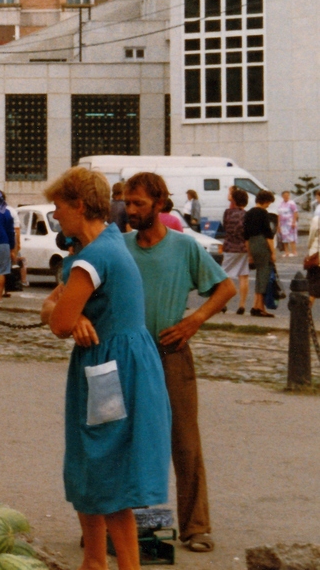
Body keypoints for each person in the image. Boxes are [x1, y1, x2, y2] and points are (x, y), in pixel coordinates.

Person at [39, 167, 171, 570]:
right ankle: (94, 560)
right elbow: (67, 310)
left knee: (105, 466)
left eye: (59, 207)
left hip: (106, 373)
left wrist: (65, 313)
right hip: (126, 365)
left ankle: (116, 564)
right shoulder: (111, 244)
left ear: (79, 205)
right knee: (93, 462)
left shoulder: (90, 259)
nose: (55, 215)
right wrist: (69, 312)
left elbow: (59, 320)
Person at [122, 172, 235, 553]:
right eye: (127, 202)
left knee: (185, 444)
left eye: (138, 203)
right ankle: (133, 527)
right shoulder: (120, 246)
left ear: (159, 203)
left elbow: (226, 288)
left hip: (172, 359)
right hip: (130, 360)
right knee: (130, 444)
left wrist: (194, 320)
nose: (131, 209)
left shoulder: (185, 248)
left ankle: (195, 527)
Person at [243, 190, 277, 318]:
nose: (269, 205)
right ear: (266, 201)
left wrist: (250, 254)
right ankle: (259, 306)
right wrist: (273, 252)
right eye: (269, 203)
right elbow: (268, 235)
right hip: (262, 243)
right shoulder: (263, 213)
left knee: (259, 274)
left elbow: (245, 235)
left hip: (252, 243)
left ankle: (256, 306)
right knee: (264, 274)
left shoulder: (248, 213)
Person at [221, 188, 251, 315]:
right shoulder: (246, 215)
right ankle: (242, 305)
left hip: (229, 246)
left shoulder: (227, 213)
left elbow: (225, 226)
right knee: (243, 276)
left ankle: (223, 303)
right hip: (243, 247)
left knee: (225, 275)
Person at [275, 190, 299, 257]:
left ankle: (294, 251)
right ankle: (286, 252)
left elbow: (295, 212)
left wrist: (294, 222)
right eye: (284, 195)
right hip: (283, 223)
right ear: (282, 196)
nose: (286, 197)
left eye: (287, 195)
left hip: (290, 222)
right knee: (284, 238)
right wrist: (278, 224)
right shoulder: (280, 204)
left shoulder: (291, 203)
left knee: (291, 237)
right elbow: (279, 214)